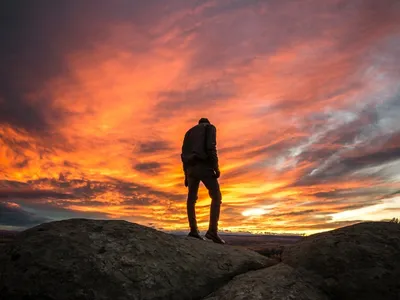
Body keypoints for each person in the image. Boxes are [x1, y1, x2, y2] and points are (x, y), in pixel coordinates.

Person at [181, 118, 225, 244]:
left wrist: (185, 174)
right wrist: (215, 167)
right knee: (216, 196)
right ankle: (212, 231)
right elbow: (211, 147)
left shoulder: (188, 133)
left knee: (191, 199)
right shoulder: (209, 127)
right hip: (204, 166)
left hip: (190, 169)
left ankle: (194, 230)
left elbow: (182, 154)